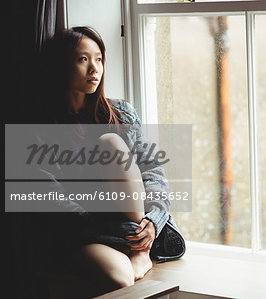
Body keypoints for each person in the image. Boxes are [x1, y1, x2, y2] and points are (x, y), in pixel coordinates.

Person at [32, 26, 185, 297]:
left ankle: (142, 250)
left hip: (134, 223)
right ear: (61, 65)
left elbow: (152, 171)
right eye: (83, 59)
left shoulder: (120, 113)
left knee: (110, 143)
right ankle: (137, 252)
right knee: (121, 278)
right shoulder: (40, 127)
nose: (94, 68)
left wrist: (152, 221)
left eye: (99, 59)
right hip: (86, 232)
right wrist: (112, 231)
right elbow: (51, 195)